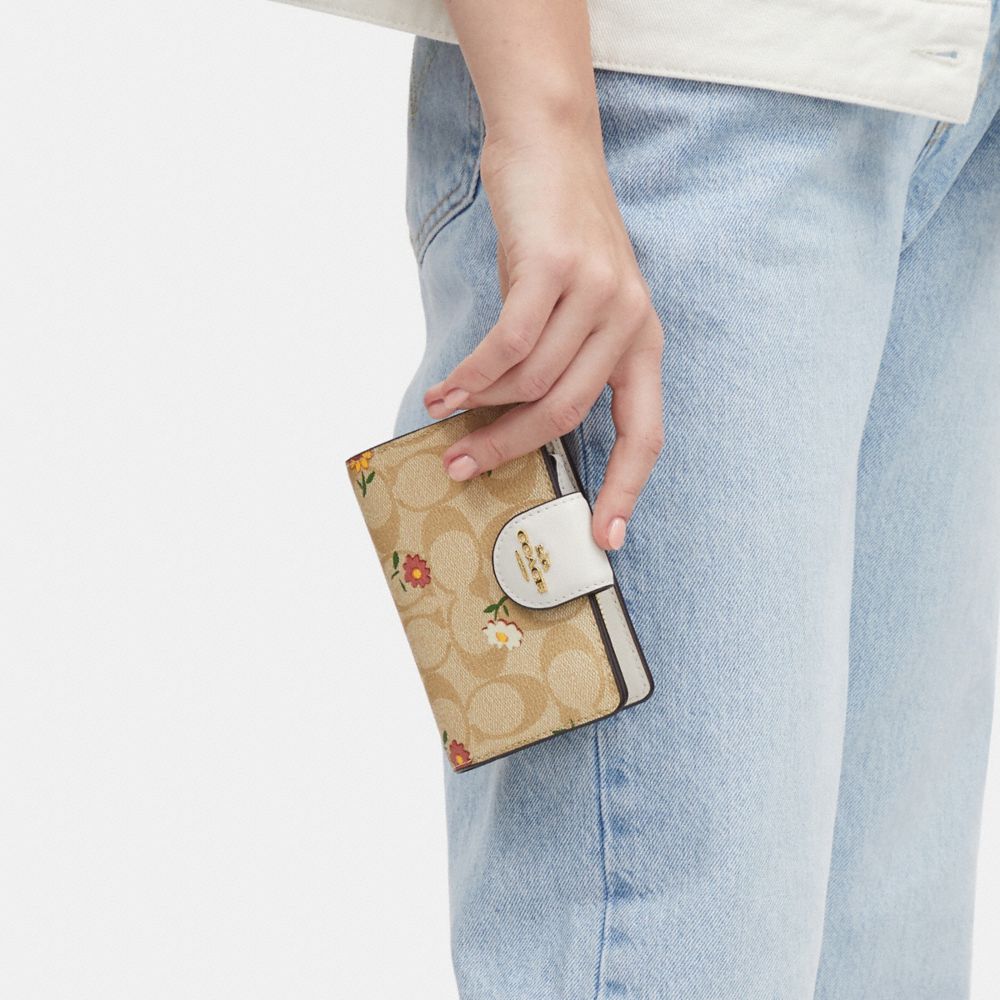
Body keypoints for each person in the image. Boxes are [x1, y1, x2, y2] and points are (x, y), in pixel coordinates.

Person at [274, 0, 1000, 995]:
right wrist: (544, 121)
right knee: (682, 953)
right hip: (673, 89)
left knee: (885, 951)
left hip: (948, 85)